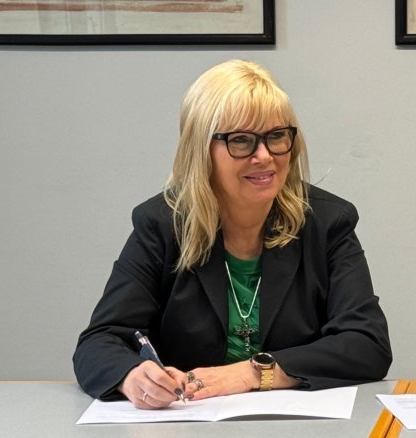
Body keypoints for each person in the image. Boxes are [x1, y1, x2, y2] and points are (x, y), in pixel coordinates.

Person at [73, 59, 392, 409]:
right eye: (241, 141)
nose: (264, 156)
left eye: (276, 137)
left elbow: (367, 343)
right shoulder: (163, 224)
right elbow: (100, 341)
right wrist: (132, 377)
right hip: (187, 424)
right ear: (201, 150)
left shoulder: (327, 222)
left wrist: (253, 374)